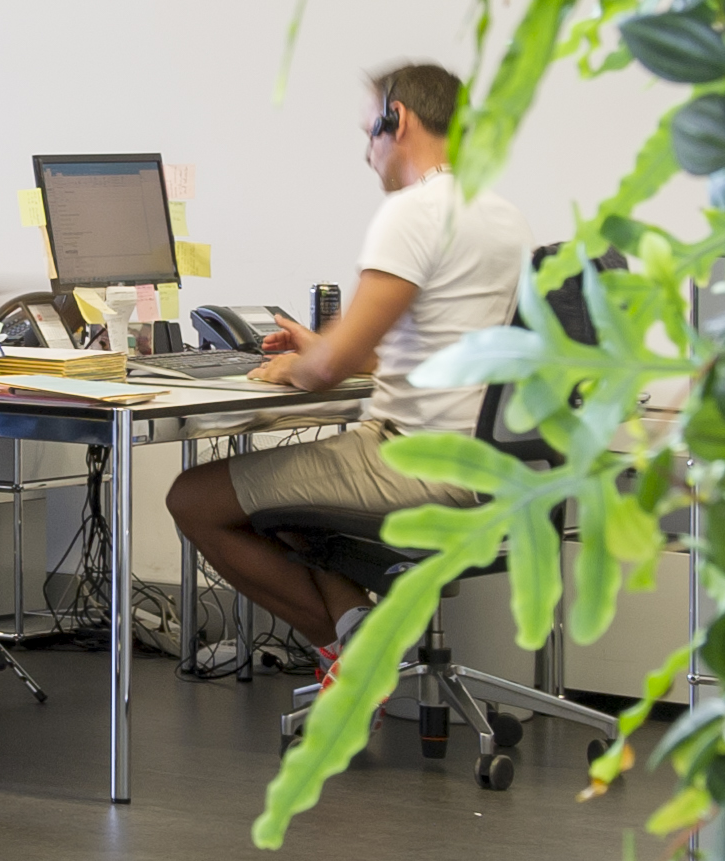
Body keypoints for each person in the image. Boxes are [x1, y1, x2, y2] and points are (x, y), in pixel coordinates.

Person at [164, 62, 526, 679]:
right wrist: (320, 346)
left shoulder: (414, 212)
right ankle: (356, 627)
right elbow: (435, 348)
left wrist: (303, 363)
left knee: (193, 499)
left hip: (413, 459)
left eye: (370, 134)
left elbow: (325, 372)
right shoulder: (500, 216)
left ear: (399, 119)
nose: (367, 154)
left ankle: (353, 651)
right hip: (486, 467)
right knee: (287, 506)